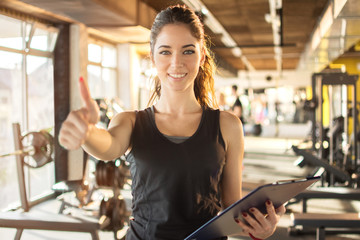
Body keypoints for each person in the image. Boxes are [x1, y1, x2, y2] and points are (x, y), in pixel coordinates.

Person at [59, 5, 285, 240]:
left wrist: (261, 227)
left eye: (187, 51)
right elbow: (109, 147)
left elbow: (232, 207)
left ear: (202, 56)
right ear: (153, 57)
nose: (176, 63)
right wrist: (87, 134)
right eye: (165, 52)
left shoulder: (228, 126)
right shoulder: (130, 121)